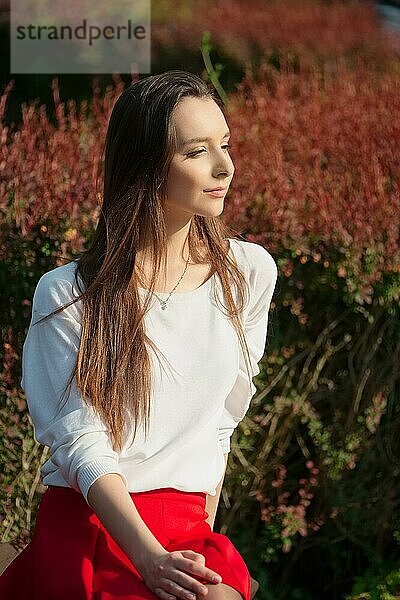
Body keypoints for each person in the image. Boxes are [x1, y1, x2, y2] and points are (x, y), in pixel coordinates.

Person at [0, 70, 278, 600]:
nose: (225, 167)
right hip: (94, 521)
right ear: (148, 163)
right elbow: (81, 443)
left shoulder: (247, 273)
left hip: (188, 521)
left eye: (225, 145)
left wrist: (199, 534)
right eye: (197, 151)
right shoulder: (69, 294)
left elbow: (222, 420)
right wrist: (149, 558)